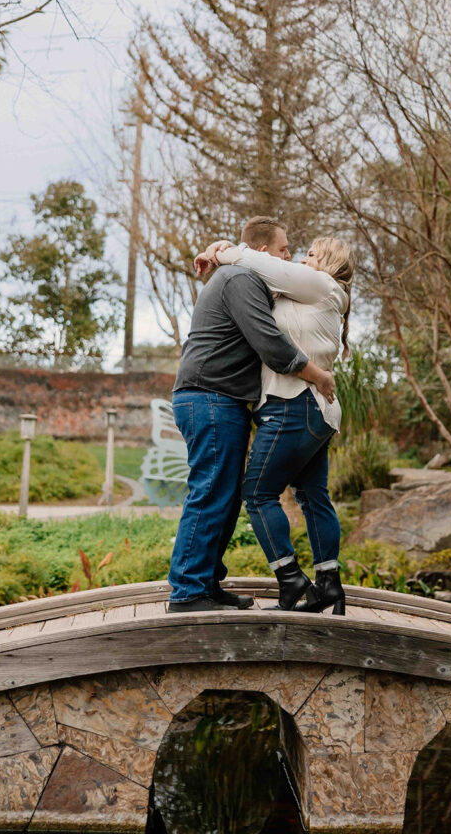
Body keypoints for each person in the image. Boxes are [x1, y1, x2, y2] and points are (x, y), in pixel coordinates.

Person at [167, 216, 336, 613]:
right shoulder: (242, 279)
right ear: (262, 254)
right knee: (211, 492)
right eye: (283, 250)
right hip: (209, 397)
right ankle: (188, 592)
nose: (289, 257)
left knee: (223, 497)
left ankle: (206, 584)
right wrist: (317, 376)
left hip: (220, 399)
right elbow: (271, 344)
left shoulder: (241, 277)